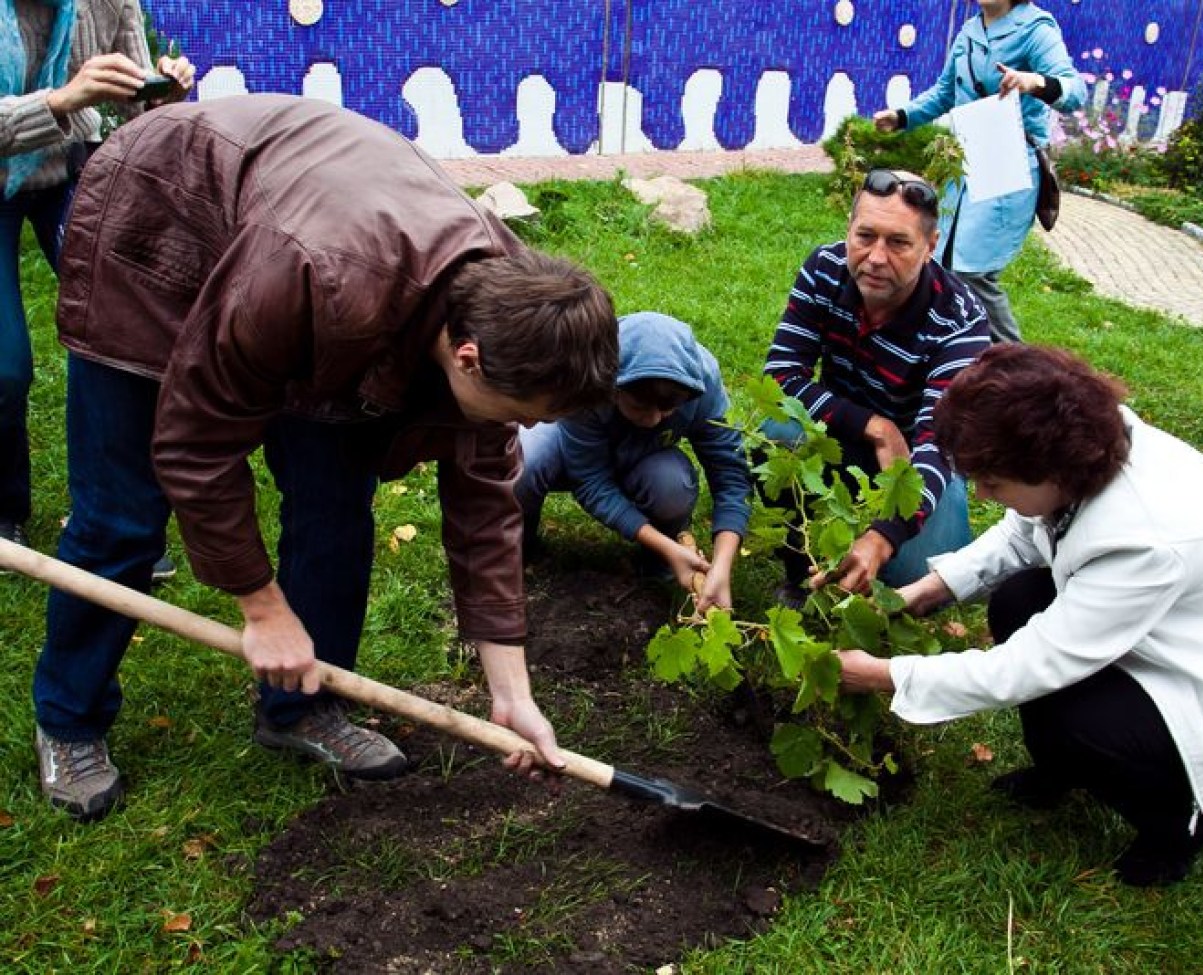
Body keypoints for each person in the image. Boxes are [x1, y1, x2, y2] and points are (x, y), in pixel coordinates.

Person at [31, 94, 620, 821]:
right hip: (163, 219)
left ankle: (300, 707)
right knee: (122, 514)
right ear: (467, 358)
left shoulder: (506, 308)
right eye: (525, 415)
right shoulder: (323, 277)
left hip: (297, 253)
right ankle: (69, 717)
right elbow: (195, 440)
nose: (526, 429)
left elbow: (485, 500)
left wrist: (512, 693)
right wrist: (261, 605)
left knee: (335, 505)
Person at [839, 344, 1203, 886]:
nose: (986, 494)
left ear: (1052, 468)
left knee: (1085, 722)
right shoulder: (1091, 452)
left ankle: (1179, 824)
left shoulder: (1142, 537)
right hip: (1172, 620)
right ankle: (1059, 770)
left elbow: (1028, 668)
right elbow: (1027, 527)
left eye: (994, 483)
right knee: (1019, 599)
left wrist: (881, 675)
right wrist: (930, 588)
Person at [0, 0, 193, 552]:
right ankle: (5, 509)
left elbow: (140, 111)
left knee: (123, 329)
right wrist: (61, 99)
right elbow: (69, 100)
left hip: (65, 170)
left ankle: (118, 518)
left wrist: (163, 88)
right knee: (5, 370)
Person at [762, 168, 990, 606]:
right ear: (848, 230)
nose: (876, 257)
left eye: (899, 242)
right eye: (865, 236)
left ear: (930, 246)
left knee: (916, 584)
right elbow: (781, 376)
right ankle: (802, 565)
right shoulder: (823, 270)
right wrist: (875, 426)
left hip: (915, 464)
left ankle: (872, 550)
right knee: (778, 430)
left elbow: (939, 444)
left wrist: (884, 535)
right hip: (840, 434)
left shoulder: (961, 321)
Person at [873, 0, 1085, 344]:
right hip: (965, 163)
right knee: (939, 261)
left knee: (973, 272)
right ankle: (951, 351)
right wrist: (901, 116)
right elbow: (945, 92)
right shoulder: (971, 30)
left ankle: (1018, 364)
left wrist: (1034, 82)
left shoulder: (1035, 28)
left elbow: (1075, 91)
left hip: (1007, 166)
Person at [515, 311, 750, 610]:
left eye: (667, 411)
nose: (652, 420)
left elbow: (730, 473)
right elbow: (589, 480)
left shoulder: (701, 384)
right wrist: (669, 548)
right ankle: (518, 547)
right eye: (639, 407)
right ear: (613, 388)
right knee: (522, 462)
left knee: (672, 486)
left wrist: (722, 564)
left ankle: (660, 561)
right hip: (568, 444)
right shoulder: (588, 378)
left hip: (643, 455)